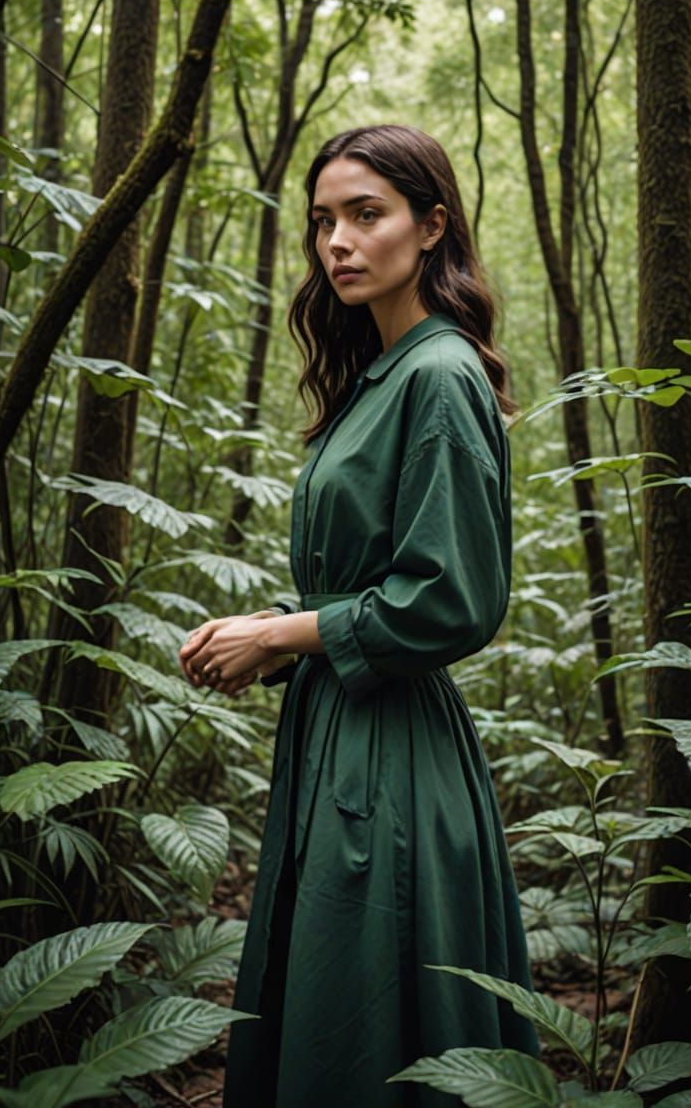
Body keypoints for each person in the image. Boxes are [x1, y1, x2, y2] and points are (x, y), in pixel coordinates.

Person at [179, 124, 539, 1107]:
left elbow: (454, 599)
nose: (336, 241)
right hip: (341, 732)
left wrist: (284, 636)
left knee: (372, 1016)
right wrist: (276, 626)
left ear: (431, 227)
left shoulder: (438, 374)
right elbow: (371, 574)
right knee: (337, 1001)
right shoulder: (375, 379)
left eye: (365, 215)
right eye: (322, 222)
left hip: (393, 758)